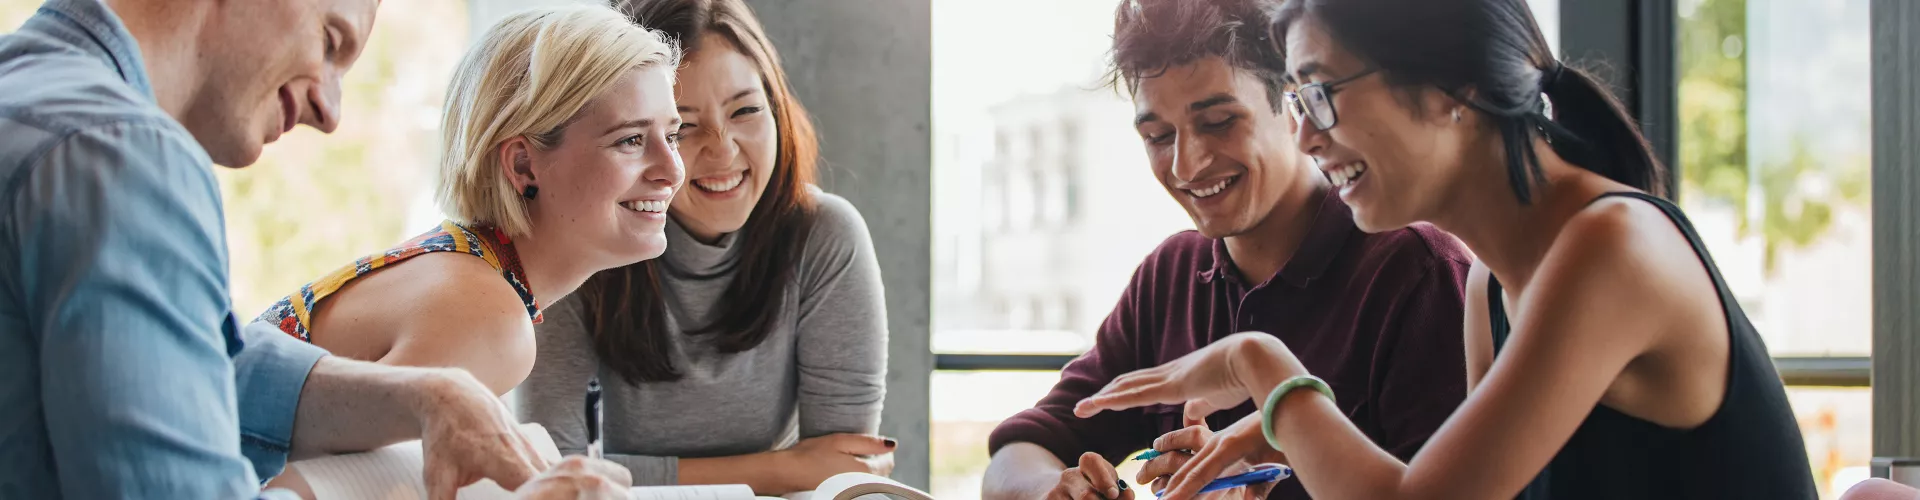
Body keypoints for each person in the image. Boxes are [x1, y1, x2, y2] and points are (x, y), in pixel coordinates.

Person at [1072, 0, 1819, 499]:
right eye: (1298, 102)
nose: (1304, 136)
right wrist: (1283, 448)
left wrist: (1257, 366)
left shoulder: (1609, 249)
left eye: (1322, 94)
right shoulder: (1490, 284)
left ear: (1449, 90)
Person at [0, 0, 631, 498]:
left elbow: (203, 361)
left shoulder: (29, 94)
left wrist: (430, 396)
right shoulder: (124, 155)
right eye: (330, 42)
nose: (329, 110)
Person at [980, 1, 1473, 499]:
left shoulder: (1418, 273)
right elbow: (1016, 453)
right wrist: (1049, 490)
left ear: (1293, 104)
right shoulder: (1171, 275)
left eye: (1218, 122)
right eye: (1158, 136)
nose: (1185, 166)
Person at [514, 0, 892, 495]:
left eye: (746, 110)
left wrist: (798, 470)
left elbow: (841, 472)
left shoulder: (824, 236)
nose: (723, 150)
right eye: (683, 127)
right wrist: (778, 469)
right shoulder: (579, 240)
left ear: (776, 107)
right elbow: (557, 473)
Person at [251, 5, 685, 398]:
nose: (673, 170)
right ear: (523, 165)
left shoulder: (467, 270)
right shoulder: (488, 321)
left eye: (672, 136)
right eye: (630, 140)